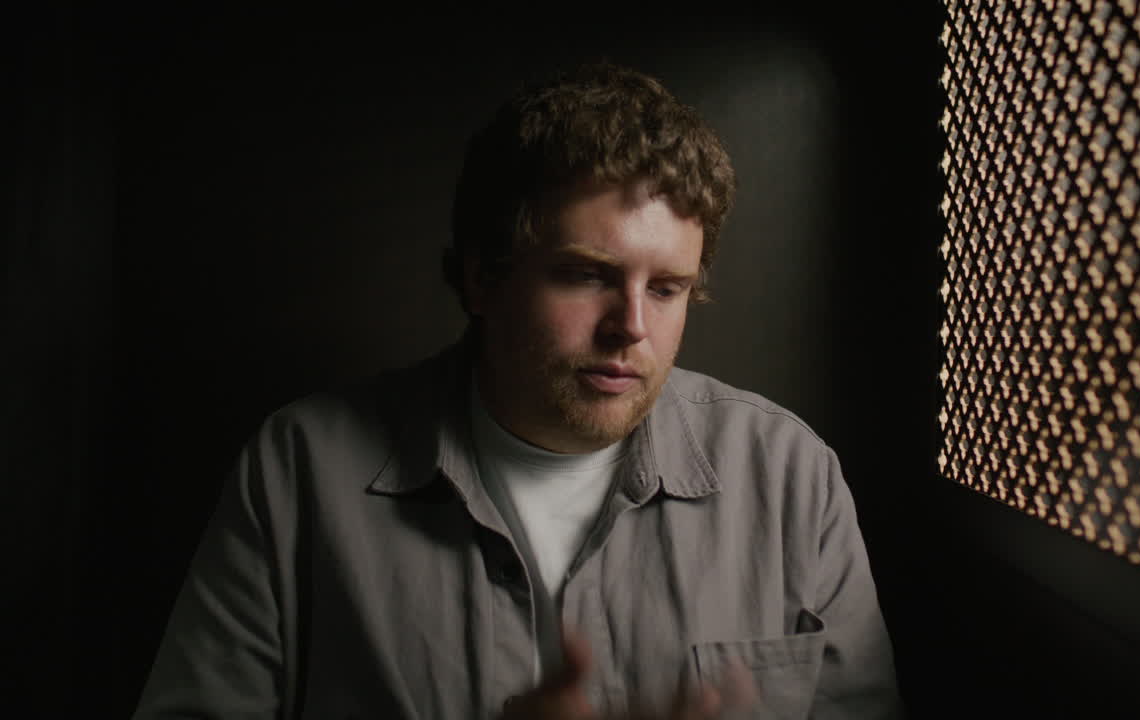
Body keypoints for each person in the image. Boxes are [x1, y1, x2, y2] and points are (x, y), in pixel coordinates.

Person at [132, 61, 903, 719]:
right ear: (482, 276)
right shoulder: (299, 470)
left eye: (667, 288)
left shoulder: (791, 478)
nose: (631, 327)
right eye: (585, 276)